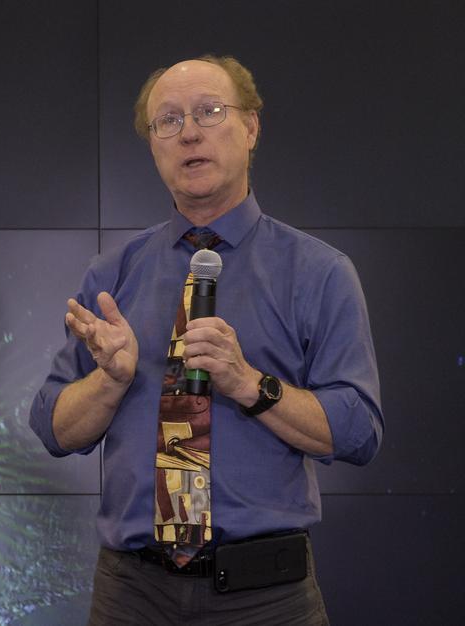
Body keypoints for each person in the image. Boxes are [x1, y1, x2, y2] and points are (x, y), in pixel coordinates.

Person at [30, 55, 382, 624]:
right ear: (153, 146)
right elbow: (52, 427)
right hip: (132, 595)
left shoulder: (319, 272)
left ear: (251, 127)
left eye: (209, 112)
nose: (189, 133)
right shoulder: (112, 275)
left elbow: (359, 431)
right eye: (167, 121)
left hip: (266, 596)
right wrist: (109, 382)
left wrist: (250, 384)